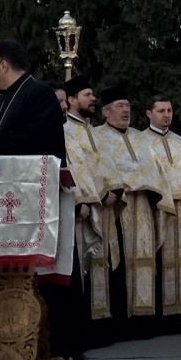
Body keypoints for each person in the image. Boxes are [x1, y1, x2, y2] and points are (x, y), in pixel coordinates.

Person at [0, 40, 84, 360]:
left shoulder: (38, 94)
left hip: (39, 202)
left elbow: (36, 141)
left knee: (51, 275)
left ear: (3, 65)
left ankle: (64, 345)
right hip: (11, 203)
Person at [63, 77, 126, 332]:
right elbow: (78, 169)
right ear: (71, 100)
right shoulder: (66, 129)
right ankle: (86, 328)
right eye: (87, 94)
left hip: (105, 207)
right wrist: (95, 196)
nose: (93, 99)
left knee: (105, 265)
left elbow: (106, 164)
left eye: (92, 95)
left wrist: (115, 190)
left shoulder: (91, 130)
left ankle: (105, 326)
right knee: (85, 265)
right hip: (86, 207)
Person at [97, 86, 162, 327]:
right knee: (120, 260)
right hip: (118, 208)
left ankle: (144, 322)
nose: (126, 110)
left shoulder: (140, 138)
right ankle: (121, 321)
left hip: (143, 205)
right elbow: (101, 170)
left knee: (144, 259)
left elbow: (154, 170)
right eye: (119, 106)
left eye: (128, 106)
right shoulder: (99, 137)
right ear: (106, 112)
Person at [141, 95, 181, 322]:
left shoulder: (180, 143)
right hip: (158, 210)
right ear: (149, 114)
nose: (166, 115)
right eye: (161, 111)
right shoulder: (141, 141)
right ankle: (162, 316)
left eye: (169, 110)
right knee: (160, 261)